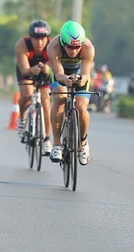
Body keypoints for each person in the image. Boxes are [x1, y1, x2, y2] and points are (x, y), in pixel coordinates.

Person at [47, 21, 95, 166]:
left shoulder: (88, 47)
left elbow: (86, 74)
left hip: (80, 73)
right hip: (61, 73)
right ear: (63, 42)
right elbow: (58, 73)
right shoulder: (53, 47)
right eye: (69, 47)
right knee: (60, 98)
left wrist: (81, 79)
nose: (73, 51)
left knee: (81, 107)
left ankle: (83, 142)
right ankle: (56, 144)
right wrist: (65, 79)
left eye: (76, 47)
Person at [14, 19, 52, 155]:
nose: (40, 42)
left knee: (46, 101)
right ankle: (22, 118)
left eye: (43, 39)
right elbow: (24, 69)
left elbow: (56, 66)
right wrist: (32, 70)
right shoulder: (22, 45)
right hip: (27, 71)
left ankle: (47, 138)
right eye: (36, 39)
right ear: (30, 38)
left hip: (44, 73)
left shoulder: (52, 46)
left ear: (48, 38)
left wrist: (48, 69)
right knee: (27, 93)